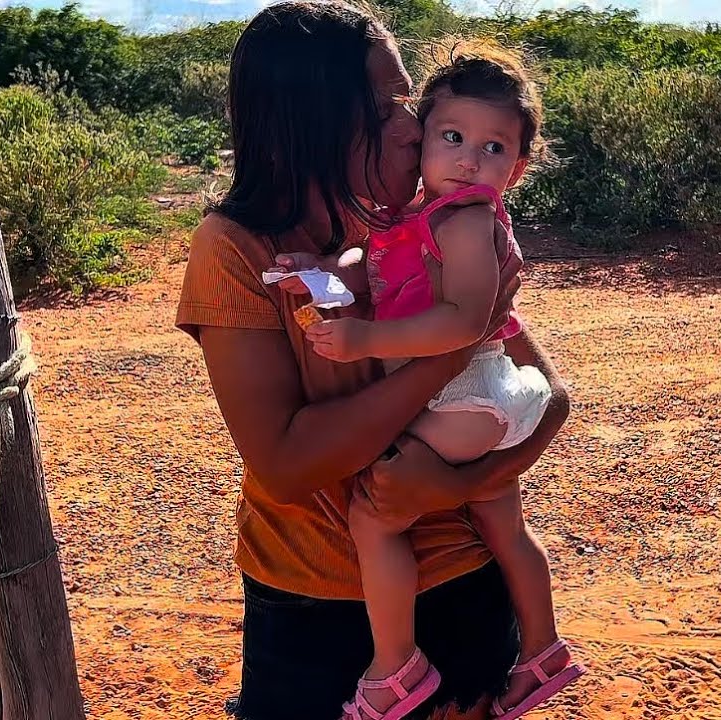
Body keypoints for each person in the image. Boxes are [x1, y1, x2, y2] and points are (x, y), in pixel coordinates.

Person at [173, 3, 571, 719]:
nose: (412, 127)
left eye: (409, 102)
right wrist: (449, 352)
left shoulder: (423, 219)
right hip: (315, 597)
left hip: (461, 581)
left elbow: (549, 397)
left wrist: (454, 484)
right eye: (386, 108)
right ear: (314, 120)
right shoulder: (235, 249)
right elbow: (286, 463)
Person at [270, 42, 582, 720]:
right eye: (452, 137)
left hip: (462, 395)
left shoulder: (465, 218)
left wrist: (364, 340)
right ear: (423, 139)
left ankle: (395, 668)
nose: (469, 159)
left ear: (517, 168)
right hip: (485, 396)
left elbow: (465, 320)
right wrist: (321, 274)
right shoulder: (422, 216)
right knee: (503, 523)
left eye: (493, 148)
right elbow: (373, 276)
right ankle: (542, 652)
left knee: (374, 518)